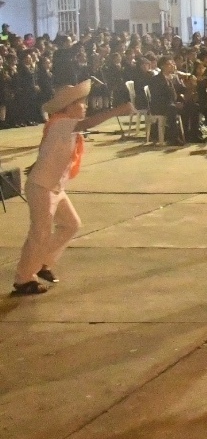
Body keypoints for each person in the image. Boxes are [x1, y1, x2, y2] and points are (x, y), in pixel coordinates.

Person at [11, 81, 133, 295]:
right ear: (68, 107)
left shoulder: (62, 124)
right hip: (44, 187)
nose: (85, 106)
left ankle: (42, 264)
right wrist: (117, 111)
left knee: (70, 224)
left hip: (53, 187)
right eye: (81, 103)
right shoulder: (61, 123)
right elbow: (86, 124)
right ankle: (24, 279)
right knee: (39, 233)